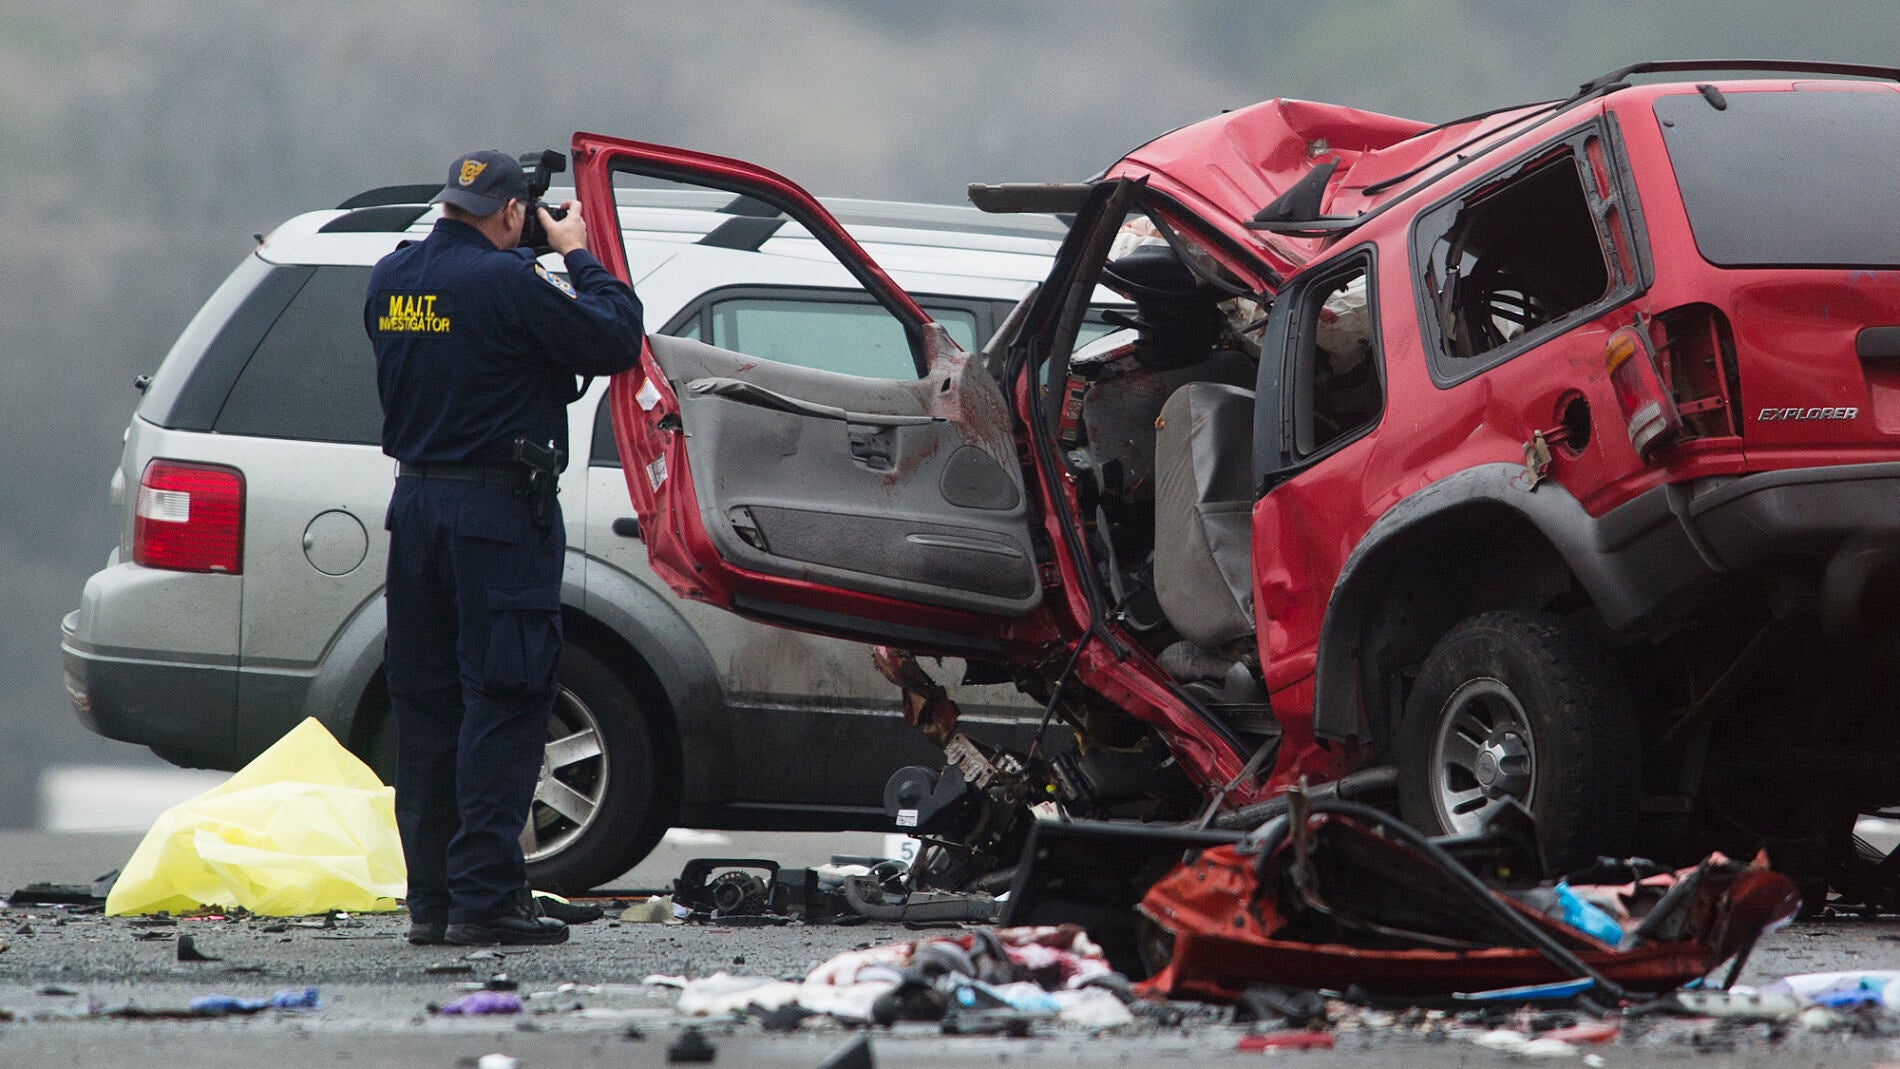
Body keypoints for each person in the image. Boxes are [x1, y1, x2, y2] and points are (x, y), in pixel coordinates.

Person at [365, 150, 644, 946]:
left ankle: (433, 901)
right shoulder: (509, 283)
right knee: (506, 696)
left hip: (416, 508)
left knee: (428, 707)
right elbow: (616, 336)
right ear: (513, 213)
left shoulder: (391, 278)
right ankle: (486, 898)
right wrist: (576, 252)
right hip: (495, 514)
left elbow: (462, 339)